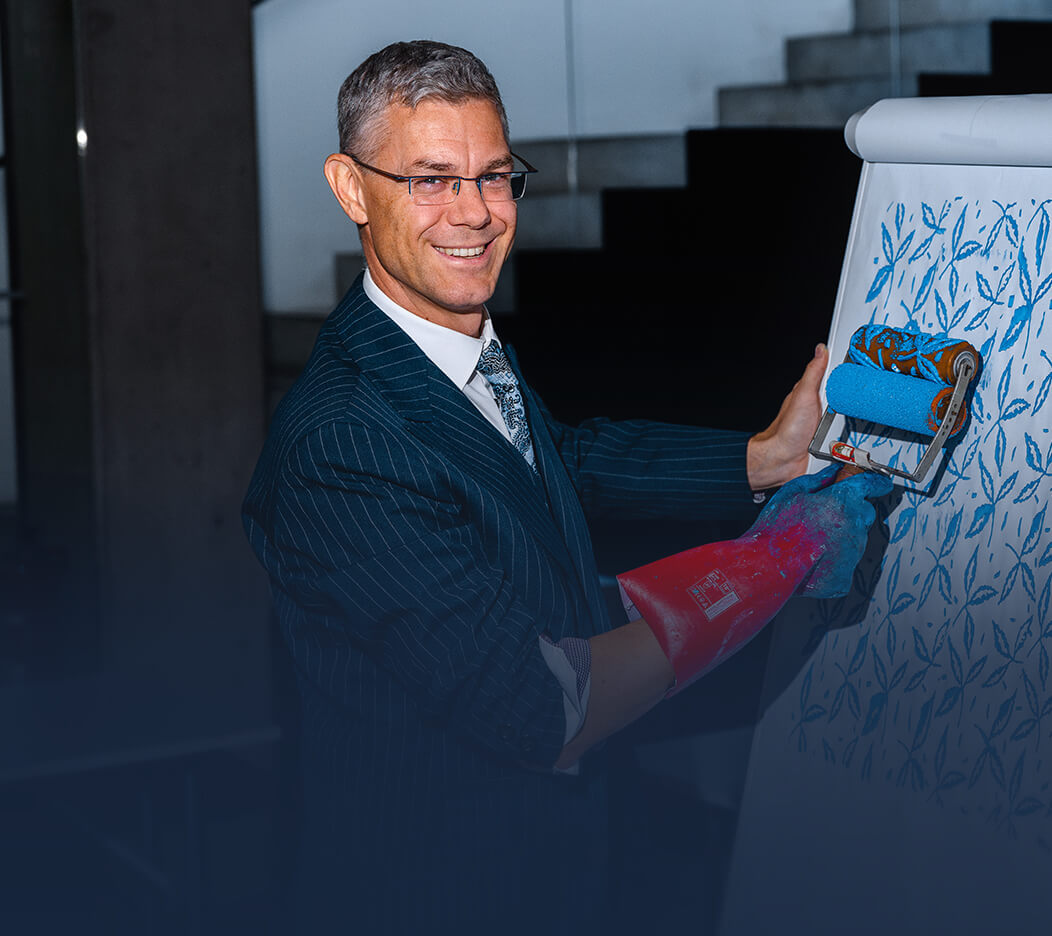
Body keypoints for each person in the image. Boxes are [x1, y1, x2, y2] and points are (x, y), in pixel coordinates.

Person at [242, 39, 891, 935]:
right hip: (444, 895)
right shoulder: (342, 443)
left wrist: (764, 459)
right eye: (431, 180)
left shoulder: (439, 345)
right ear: (351, 188)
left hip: (558, 869)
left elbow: (557, 460)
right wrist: (774, 562)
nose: (475, 213)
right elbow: (543, 705)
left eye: (494, 176)